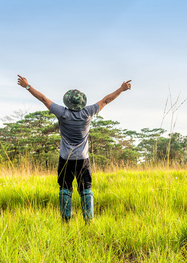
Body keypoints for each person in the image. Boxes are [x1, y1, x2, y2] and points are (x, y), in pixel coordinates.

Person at [17, 75, 131, 222]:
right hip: (83, 159)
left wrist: (27, 86)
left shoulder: (62, 113)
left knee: (65, 189)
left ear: (67, 102)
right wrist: (121, 89)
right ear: (82, 102)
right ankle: (88, 221)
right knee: (86, 189)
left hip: (66, 159)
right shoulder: (88, 113)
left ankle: (66, 221)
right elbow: (105, 100)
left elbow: (43, 99)